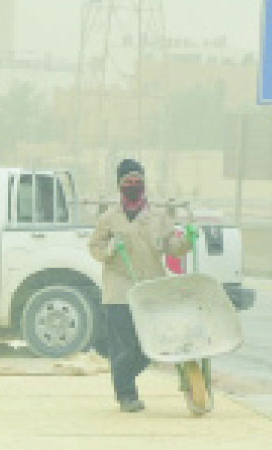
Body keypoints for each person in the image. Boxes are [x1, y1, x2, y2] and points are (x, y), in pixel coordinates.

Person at [89, 158, 193, 413]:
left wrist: (188, 240)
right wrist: (112, 248)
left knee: (151, 346)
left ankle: (123, 378)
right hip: (119, 291)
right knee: (126, 345)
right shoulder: (108, 219)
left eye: (138, 181)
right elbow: (95, 248)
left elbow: (173, 248)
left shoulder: (159, 217)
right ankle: (126, 395)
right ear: (120, 186)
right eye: (128, 182)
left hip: (149, 289)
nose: (134, 186)